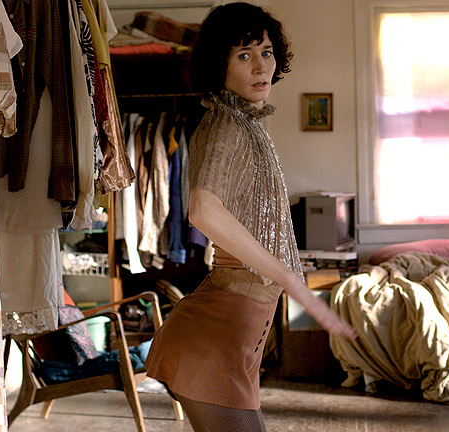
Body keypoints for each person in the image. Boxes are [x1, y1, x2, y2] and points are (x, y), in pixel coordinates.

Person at [143, 3, 358, 431]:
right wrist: (289, 277)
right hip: (212, 340)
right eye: (244, 55)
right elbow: (203, 209)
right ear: (219, 65)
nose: (261, 66)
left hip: (226, 338)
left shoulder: (244, 122)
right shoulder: (226, 124)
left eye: (266, 52)